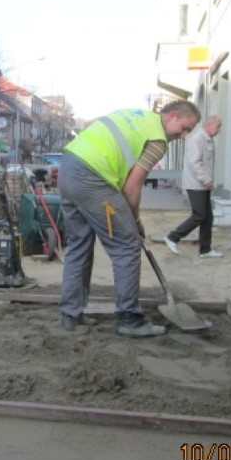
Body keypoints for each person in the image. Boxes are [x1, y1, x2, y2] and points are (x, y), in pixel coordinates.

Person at [58, 101, 201, 338]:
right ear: (173, 116)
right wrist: (134, 222)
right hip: (94, 176)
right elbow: (131, 188)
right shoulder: (157, 140)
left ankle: (70, 316)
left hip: (69, 167)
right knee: (127, 246)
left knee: (78, 246)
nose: (185, 136)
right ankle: (129, 318)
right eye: (185, 128)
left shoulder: (137, 117)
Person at [165, 116, 223, 258]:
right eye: (218, 127)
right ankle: (173, 237)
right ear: (209, 125)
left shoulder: (207, 139)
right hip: (196, 184)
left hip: (202, 185)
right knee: (199, 215)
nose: (219, 130)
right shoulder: (197, 139)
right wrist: (206, 179)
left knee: (208, 217)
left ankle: (205, 249)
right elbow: (194, 162)